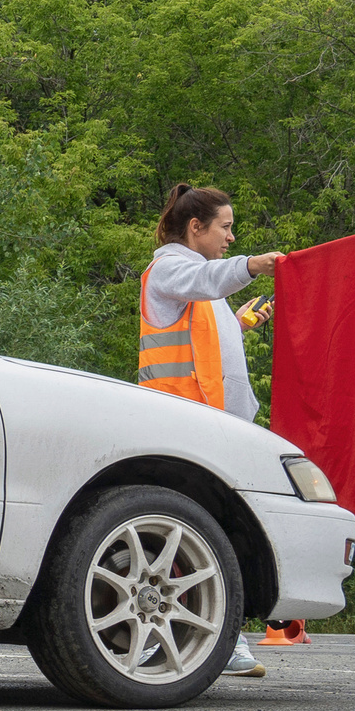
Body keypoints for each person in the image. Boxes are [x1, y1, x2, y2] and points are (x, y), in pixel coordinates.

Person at [138, 183, 285, 676]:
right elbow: (209, 283)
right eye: (224, 227)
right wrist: (253, 265)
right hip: (179, 426)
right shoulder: (173, 268)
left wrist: (239, 324)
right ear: (195, 228)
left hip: (205, 428)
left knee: (207, 535)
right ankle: (187, 640)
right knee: (188, 538)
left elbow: (204, 332)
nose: (231, 236)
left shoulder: (196, 280)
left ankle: (218, 638)